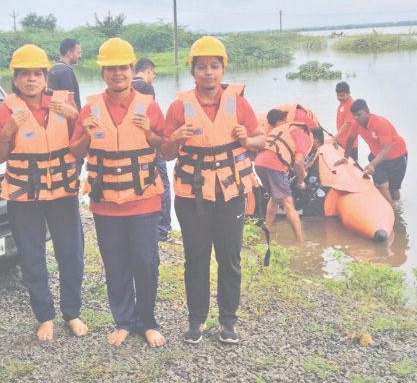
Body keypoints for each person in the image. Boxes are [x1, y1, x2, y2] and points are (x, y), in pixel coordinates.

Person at [161, 36, 265, 345]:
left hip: (230, 194)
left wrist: (247, 139)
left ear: (223, 69)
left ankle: (228, 321)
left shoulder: (239, 103)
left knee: (229, 257)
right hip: (192, 196)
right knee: (196, 257)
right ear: (193, 71)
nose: (209, 72)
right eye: (202, 66)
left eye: (214, 66)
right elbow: (165, 153)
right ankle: (196, 321)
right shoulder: (179, 107)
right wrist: (176, 137)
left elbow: (261, 140)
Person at [69, 38, 167, 348]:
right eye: (110, 68)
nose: (117, 73)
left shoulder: (150, 106)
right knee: (115, 264)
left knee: (147, 263)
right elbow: (75, 153)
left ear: (131, 70)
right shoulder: (90, 109)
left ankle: (147, 321)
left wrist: (149, 131)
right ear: (102, 73)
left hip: (144, 200)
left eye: (123, 67)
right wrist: (87, 134)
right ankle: (123, 321)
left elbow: (165, 147)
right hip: (106, 203)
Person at [0, 44, 87, 342]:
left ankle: (72, 312)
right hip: (24, 197)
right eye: (24, 74)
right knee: (32, 256)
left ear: (46, 77)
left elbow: (83, 144)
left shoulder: (63, 104)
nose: (31, 79)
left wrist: (74, 116)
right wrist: (8, 131)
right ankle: (44, 316)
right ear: (15, 79)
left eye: (37, 74)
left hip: (62, 193)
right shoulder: (4, 111)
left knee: (71, 254)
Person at [254, 109, 323, 242]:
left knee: (275, 198)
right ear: (315, 139)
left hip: (259, 163)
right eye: (317, 145)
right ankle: (300, 241)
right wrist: (301, 181)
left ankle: (266, 230)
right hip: (273, 164)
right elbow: (298, 162)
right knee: (288, 203)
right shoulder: (305, 137)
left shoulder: (288, 128)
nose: (314, 148)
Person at [132, 58, 171, 242]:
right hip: (150, 144)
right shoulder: (147, 88)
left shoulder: (127, 87)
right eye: (153, 73)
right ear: (148, 71)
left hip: (134, 146)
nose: (153, 77)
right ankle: (163, 228)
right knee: (162, 184)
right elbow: (153, 119)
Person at [342, 99, 408, 205]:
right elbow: (350, 139)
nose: (356, 118)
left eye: (359, 114)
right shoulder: (356, 124)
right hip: (377, 158)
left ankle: (397, 209)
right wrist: (345, 157)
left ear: (367, 111)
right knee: (382, 186)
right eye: (354, 115)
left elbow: (386, 148)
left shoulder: (380, 124)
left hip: (397, 156)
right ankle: (390, 211)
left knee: (394, 190)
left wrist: (372, 164)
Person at [48, 38, 82, 109]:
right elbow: (70, 101)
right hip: (67, 114)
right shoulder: (66, 72)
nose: (80, 56)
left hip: (54, 113)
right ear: (69, 53)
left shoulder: (52, 69)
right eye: (78, 53)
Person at [333, 81, 359, 162]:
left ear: (348, 93)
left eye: (342, 95)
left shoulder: (351, 105)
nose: (339, 97)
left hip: (350, 145)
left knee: (351, 166)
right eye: (338, 95)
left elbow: (347, 124)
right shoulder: (342, 103)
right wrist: (337, 139)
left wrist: (335, 138)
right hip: (341, 142)